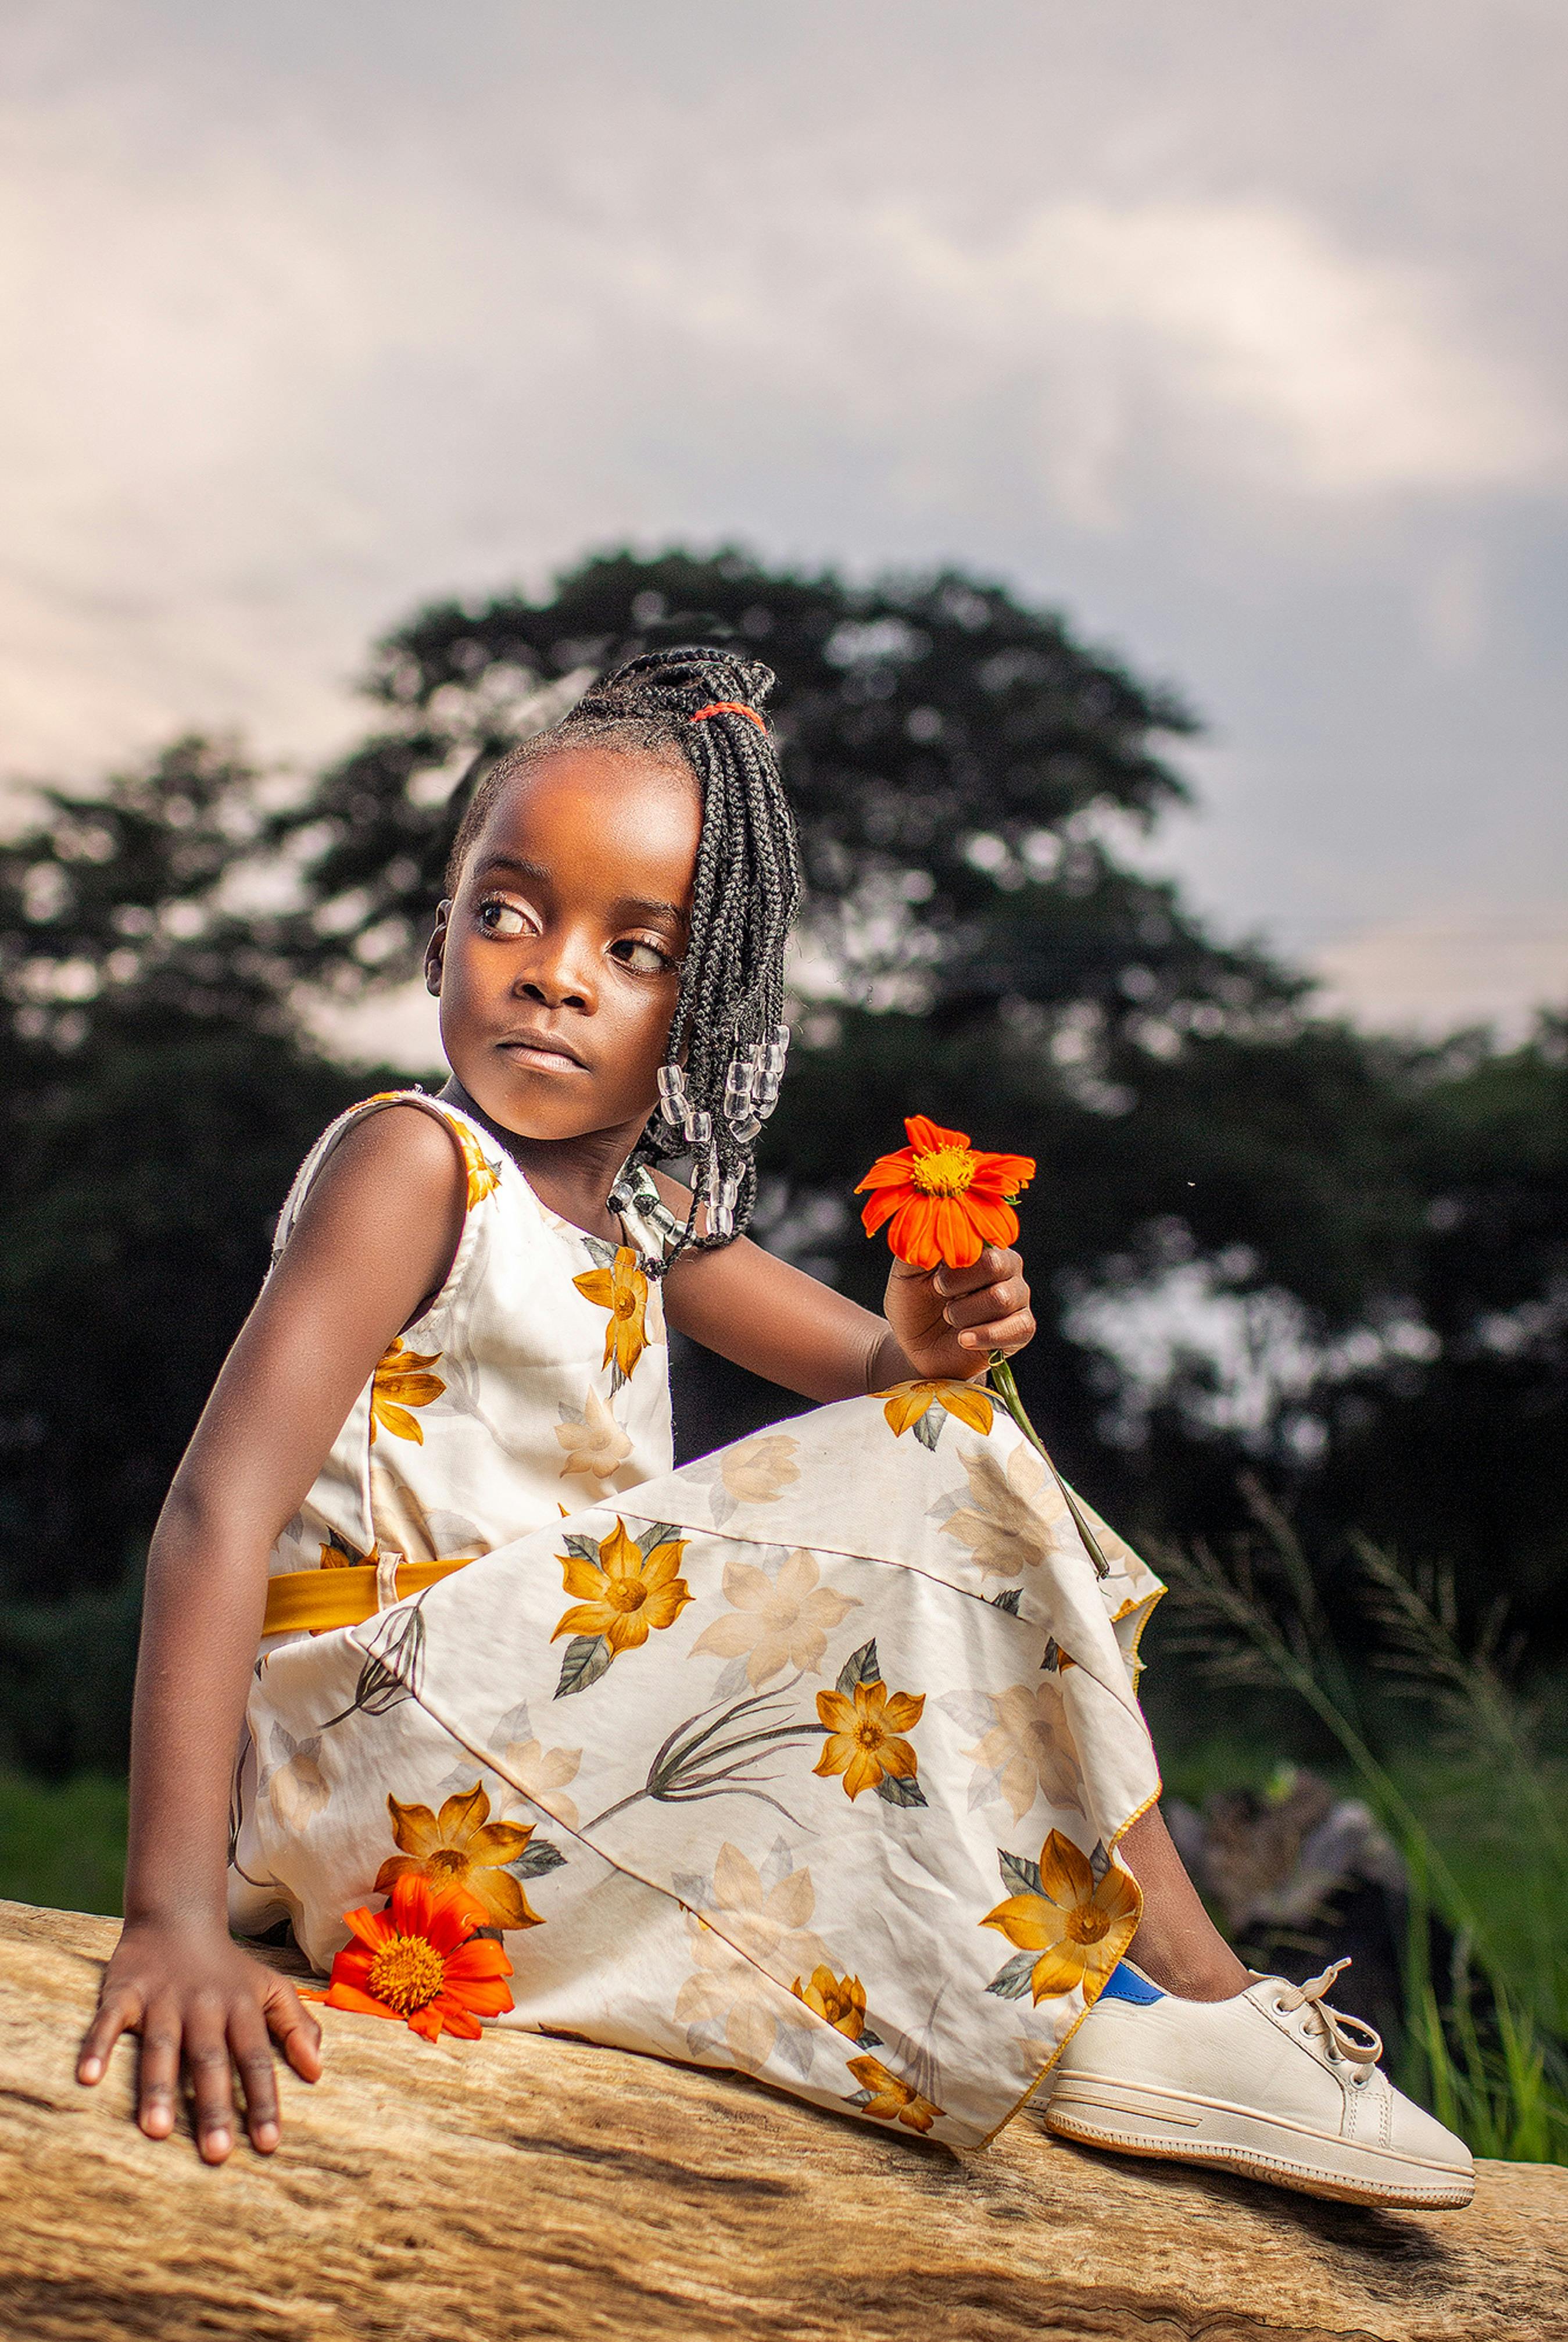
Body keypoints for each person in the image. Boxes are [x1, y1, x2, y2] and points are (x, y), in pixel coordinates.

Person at [77, 648, 1472, 2209]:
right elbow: (217, 1514)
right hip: (382, 1758)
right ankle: (1201, 2000)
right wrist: (171, 1917)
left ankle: (1113, 2014)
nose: (552, 971)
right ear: (436, 940)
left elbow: (891, 1381)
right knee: (938, 1470)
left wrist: (928, 1341)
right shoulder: (412, 1165)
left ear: (704, 1005)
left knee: (944, 1458)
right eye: (505, 912)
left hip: (526, 1755)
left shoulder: (650, 1217)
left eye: (634, 947)